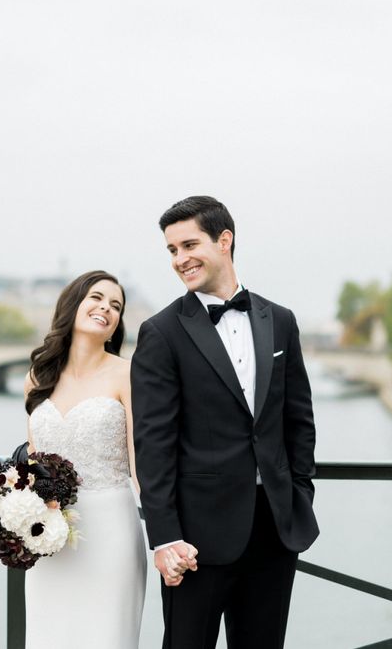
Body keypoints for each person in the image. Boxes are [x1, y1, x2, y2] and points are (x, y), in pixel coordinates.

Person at [131, 196, 319, 649]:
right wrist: (165, 538)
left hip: (274, 529)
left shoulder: (281, 321)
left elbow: (299, 421)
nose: (180, 259)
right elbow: (152, 444)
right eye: (172, 250)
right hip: (195, 541)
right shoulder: (161, 332)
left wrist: (299, 492)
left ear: (224, 240)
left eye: (189, 244)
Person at [23, 270, 146, 648]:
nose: (105, 309)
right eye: (96, 298)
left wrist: (168, 535)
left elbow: (141, 463)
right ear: (73, 304)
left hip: (112, 532)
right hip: (51, 537)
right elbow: (32, 462)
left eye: (116, 306)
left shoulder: (128, 373)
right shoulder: (38, 376)